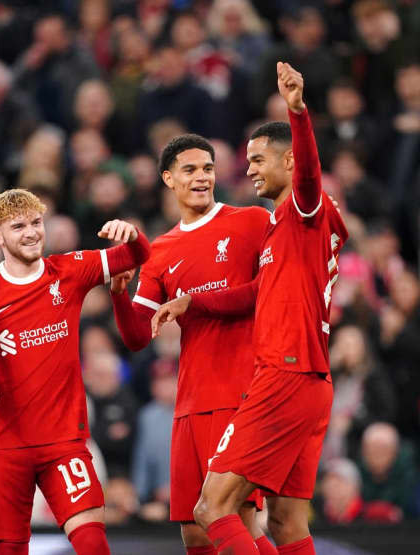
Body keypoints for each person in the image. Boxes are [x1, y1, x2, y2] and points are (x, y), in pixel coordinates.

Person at [152, 63, 348, 554]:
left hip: (284, 372)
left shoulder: (303, 209)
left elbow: (308, 174)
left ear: (289, 162)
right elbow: (257, 292)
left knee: (210, 509)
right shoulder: (280, 230)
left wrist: (297, 112)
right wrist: (193, 301)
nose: (250, 169)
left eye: (259, 159)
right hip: (313, 383)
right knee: (286, 523)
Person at [108, 132, 276, 555]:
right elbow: (136, 337)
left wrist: (193, 303)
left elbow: (267, 290)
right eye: (190, 170)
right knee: (196, 533)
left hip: (241, 390)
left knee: (232, 517)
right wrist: (117, 294)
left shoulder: (253, 221)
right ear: (168, 178)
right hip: (190, 400)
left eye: (208, 168)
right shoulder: (161, 251)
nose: (201, 177)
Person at [0, 189, 150, 555]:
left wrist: (132, 233)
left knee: (91, 542)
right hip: (6, 447)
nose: (31, 233)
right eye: (18, 225)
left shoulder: (68, 270)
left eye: (36, 223)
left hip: (64, 443)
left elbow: (136, 256)